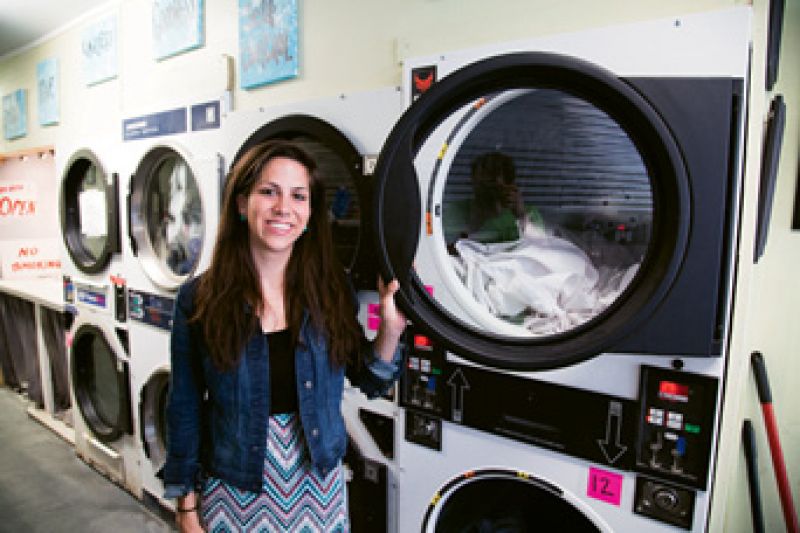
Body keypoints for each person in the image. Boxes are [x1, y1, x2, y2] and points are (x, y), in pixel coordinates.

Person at [163, 140, 406, 532]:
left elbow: (370, 380)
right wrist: (186, 509)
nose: (283, 208)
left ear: (310, 213)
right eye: (268, 192)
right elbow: (185, 408)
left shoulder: (330, 289)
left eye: (298, 196)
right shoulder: (199, 299)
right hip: (233, 491)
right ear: (242, 204)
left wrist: (390, 329)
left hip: (319, 493)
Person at [443, 151, 543, 244]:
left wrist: (521, 216)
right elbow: (443, 251)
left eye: (495, 187)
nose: (490, 193)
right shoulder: (456, 211)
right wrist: (474, 224)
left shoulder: (528, 212)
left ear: (510, 185)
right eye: (483, 186)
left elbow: (541, 248)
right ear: (473, 182)